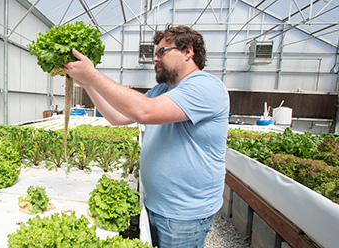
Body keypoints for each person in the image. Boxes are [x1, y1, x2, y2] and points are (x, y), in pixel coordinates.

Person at [63, 24, 229, 248]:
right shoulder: (164, 90)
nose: (155, 59)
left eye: (162, 52)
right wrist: (89, 84)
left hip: (183, 216)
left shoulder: (205, 86)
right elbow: (117, 117)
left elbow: (144, 111)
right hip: (157, 206)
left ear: (188, 51)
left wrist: (93, 75)